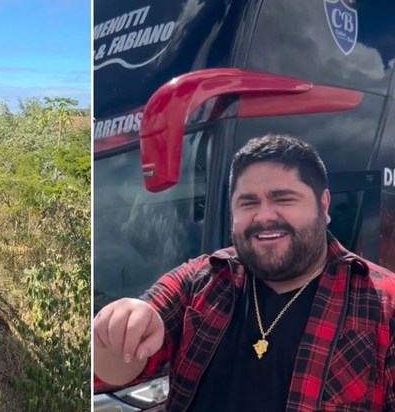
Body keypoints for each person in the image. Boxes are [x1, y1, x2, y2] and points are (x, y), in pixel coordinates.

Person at [93, 134, 395, 411]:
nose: (264, 216)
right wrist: (118, 330)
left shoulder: (384, 303)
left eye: (283, 198)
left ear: (323, 204)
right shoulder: (201, 280)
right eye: (248, 202)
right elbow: (119, 368)